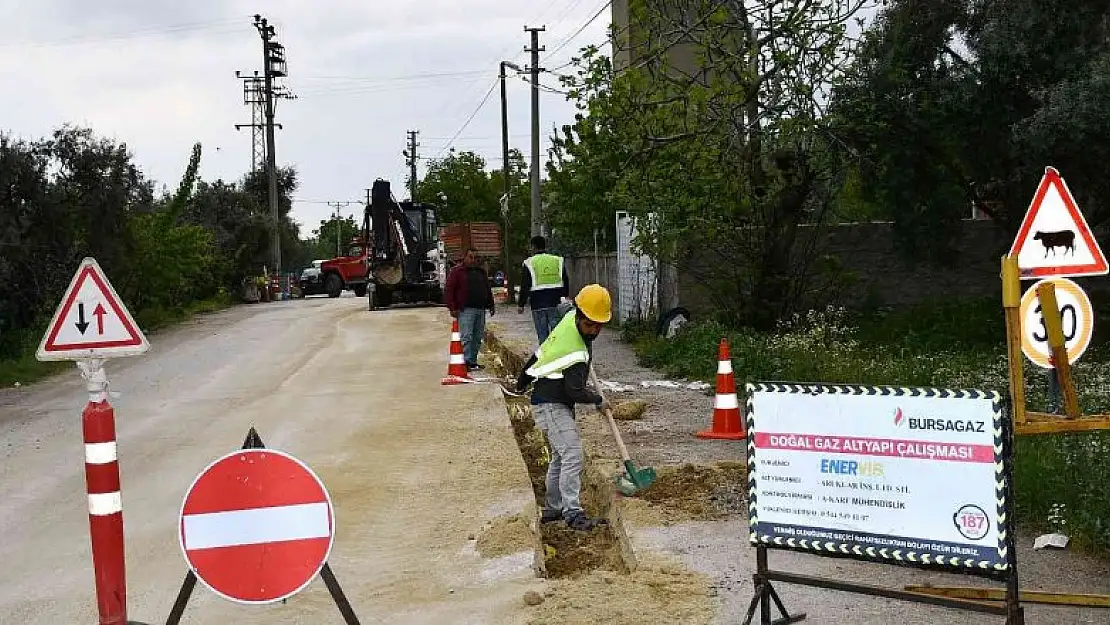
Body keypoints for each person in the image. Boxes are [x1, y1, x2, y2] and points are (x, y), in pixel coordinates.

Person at [515, 284, 612, 531]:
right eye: (589, 325)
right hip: (552, 404)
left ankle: (554, 507)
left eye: (599, 326)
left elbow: (542, 350)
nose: (594, 331)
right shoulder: (576, 353)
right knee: (572, 454)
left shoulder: (569, 319)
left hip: (546, 400)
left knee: (560, 457)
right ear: (579, 315)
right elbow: (575, 391)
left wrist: (524, 377)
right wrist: (598, 401)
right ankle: (572, 511)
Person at [445, 248, 495, 371]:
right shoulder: (457, 271)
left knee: (478, 337)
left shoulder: (481, 272)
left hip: (480, 308)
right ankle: (465, 362)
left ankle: (472, 361)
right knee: (466, 336)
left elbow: (487, 289)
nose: (473, 260)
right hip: (465, 309)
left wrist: (491, 304)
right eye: (470, 257)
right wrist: (452, 307)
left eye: (476, 258)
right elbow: (449, 289)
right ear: (465, 257)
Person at [518, 235, 570, 344]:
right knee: (556, 336)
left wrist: (521, 304)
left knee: (543, 337)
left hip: (538, 304)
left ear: (533, 247)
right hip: (555, 303)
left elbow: (525, 285)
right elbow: (565, 279)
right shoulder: (557, 260)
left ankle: (546, 358)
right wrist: (565, 296)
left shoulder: (529, 262)